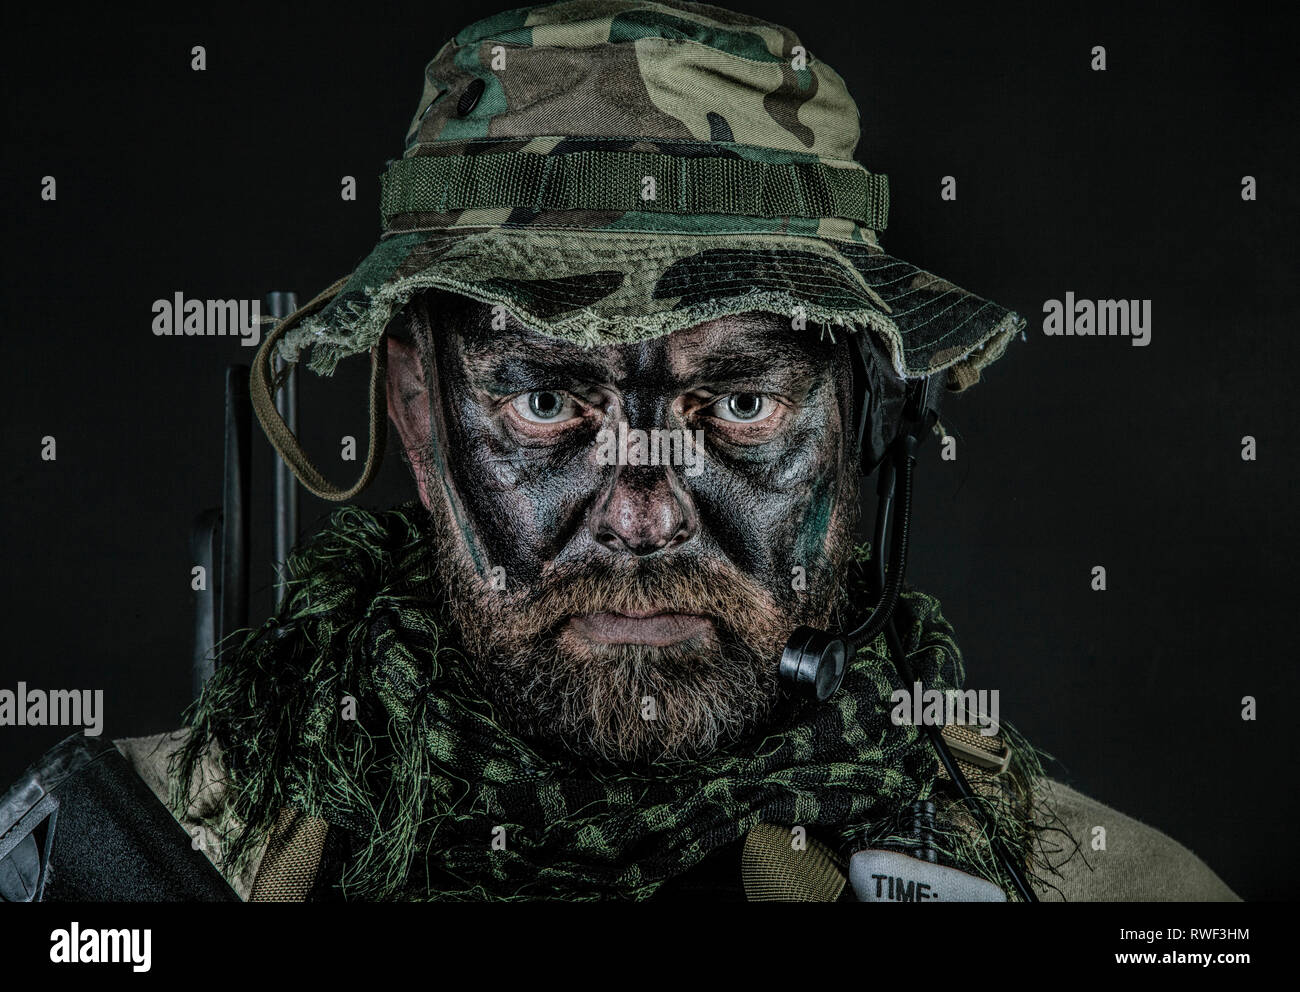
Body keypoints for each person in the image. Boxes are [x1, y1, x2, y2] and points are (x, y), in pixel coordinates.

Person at [112, 0, 1233, 901]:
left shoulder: (1102, 894)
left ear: (868, 422)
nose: (643, 515)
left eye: (740, 403)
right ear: (416, 409)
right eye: (547, 399)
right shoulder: (127, 860)